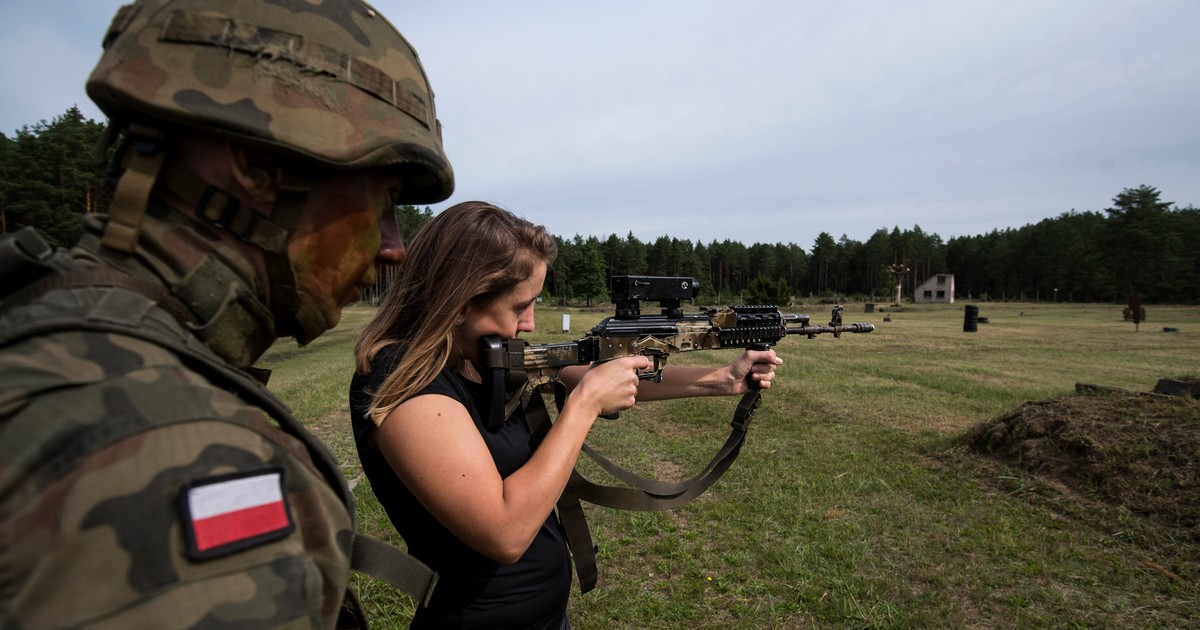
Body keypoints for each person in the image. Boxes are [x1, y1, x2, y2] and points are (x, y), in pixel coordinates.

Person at [0, 0, 453, 627]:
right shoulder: (173, 445)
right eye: (385, 198)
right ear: (260, 168)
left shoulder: (51, 325)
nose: (395, 245)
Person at [350, 201, 783, 628]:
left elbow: (594, 371)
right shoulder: (402, 380)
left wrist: (723, 379)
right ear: (461, 302)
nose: (529, 324)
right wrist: (584, 407)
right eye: (520, 306)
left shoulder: (475, 355)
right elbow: (504, 532)